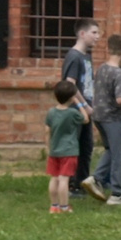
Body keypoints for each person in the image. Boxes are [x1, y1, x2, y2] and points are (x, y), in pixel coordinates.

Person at [88, 35, 121, 205]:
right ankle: (117, 193)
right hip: (113, 117)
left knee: (110, 149)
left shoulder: (102, 68)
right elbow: (120, 99)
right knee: (119, 154)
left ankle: (96, 179)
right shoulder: (120, 74)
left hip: (98, 116)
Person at [61, 21, 101, 186]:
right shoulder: (74, 56)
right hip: (75, 109)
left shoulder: (86, 56)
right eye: (94, 33)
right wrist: (83, 105)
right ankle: (69, 183)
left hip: (86, 109)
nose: (97, 37)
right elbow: (70, 84)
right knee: (73, 147)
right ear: (82, 34)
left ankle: (82, 182)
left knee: (86, 146)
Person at [44, 79, 86, 214]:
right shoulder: (72, 113)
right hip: (69, 150)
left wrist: (48, 147)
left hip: (54, 150)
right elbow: (85, 119)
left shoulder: (51, 112)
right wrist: (79, 103)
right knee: (64, 179)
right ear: (71, 98)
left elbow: (47, 130)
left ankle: (53, 206)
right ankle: (64, 206)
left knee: (54, 178)